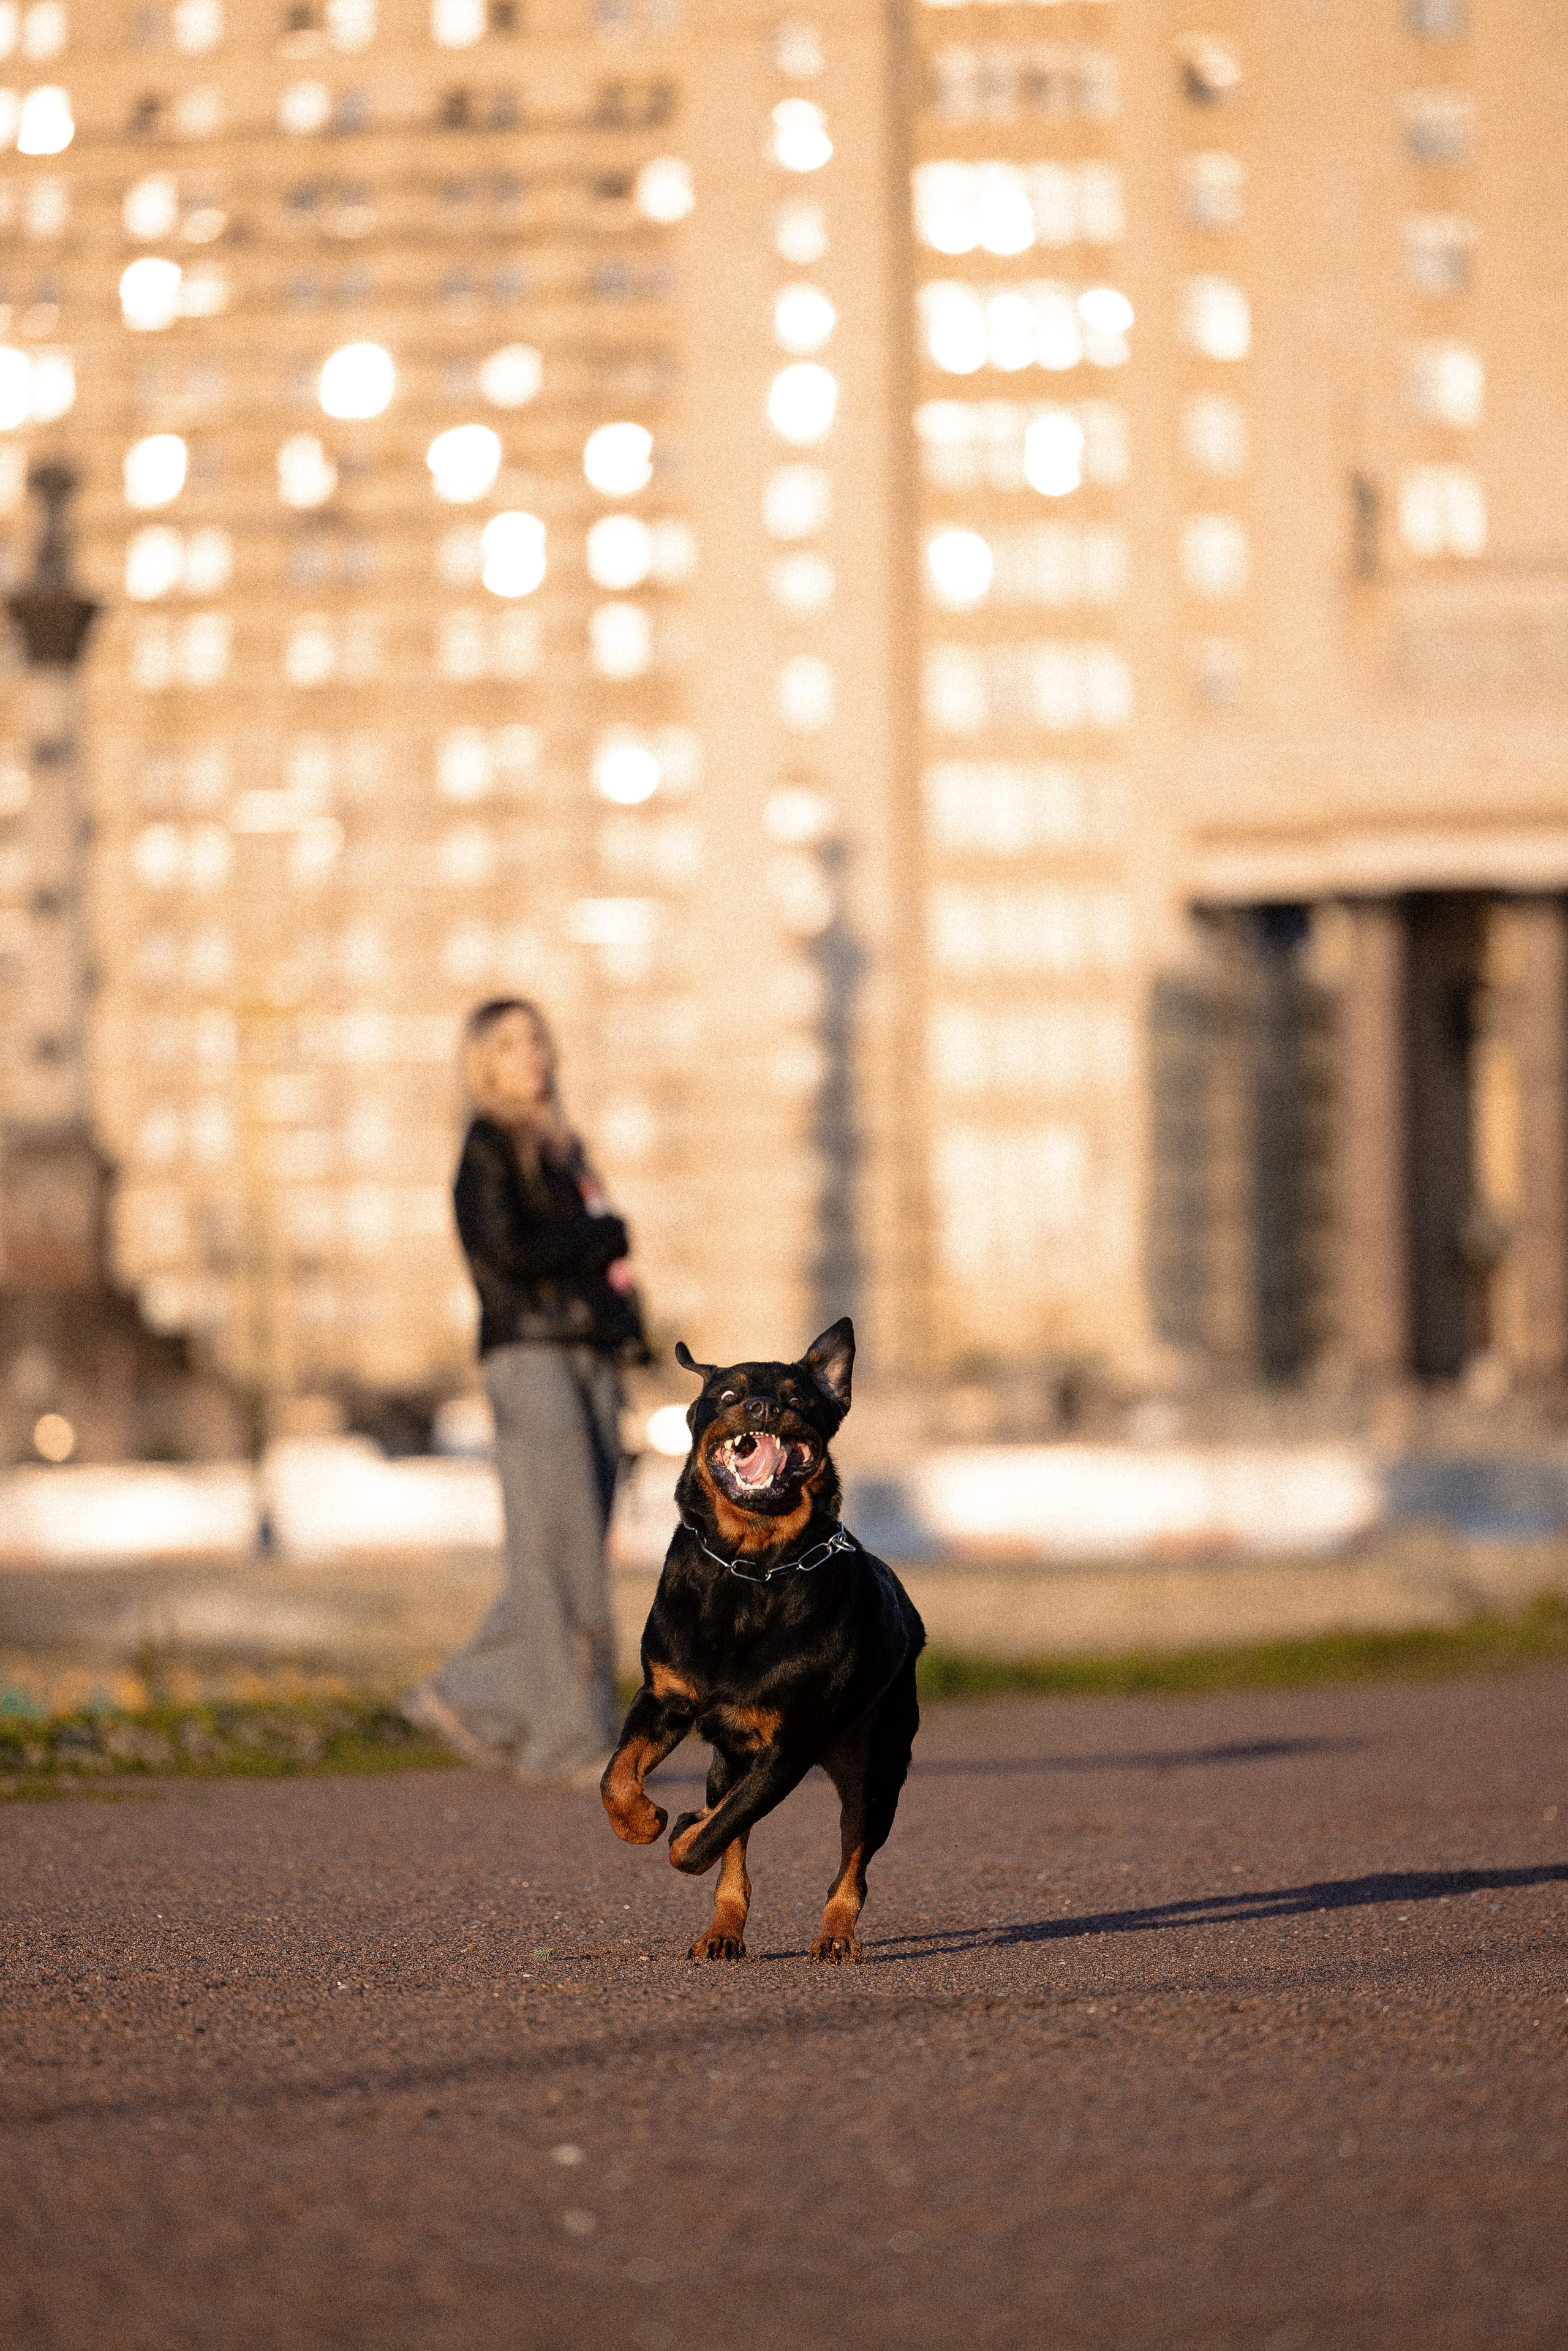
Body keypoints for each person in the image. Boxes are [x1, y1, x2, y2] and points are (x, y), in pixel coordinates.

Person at [402, 998, 648, 1783]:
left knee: (568, 1550)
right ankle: (568, 1742)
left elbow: (600, 1266)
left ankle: (468, 1695)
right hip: (532, 1356)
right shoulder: (487, 1146)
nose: (532, 1053)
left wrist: (625, 1329)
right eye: (511, 1043)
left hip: (589, 1356)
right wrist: (602, 1235)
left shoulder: (566, 1148)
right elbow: (503, 1249)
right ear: (484, 1062)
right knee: (557, 1553)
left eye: (539, 1037)